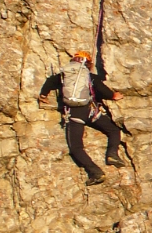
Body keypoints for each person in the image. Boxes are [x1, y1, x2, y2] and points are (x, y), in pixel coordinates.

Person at [39, 50, 125, 185]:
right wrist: (114, 96)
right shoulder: (89, 76)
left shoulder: (64, 76)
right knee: (114, 130)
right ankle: (112, 154)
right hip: (90, 112)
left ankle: (96, 172)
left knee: (76, 148)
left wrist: (43, 96)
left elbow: (49, 82)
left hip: (74, 115)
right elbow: (102, 89)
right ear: (88, 63)